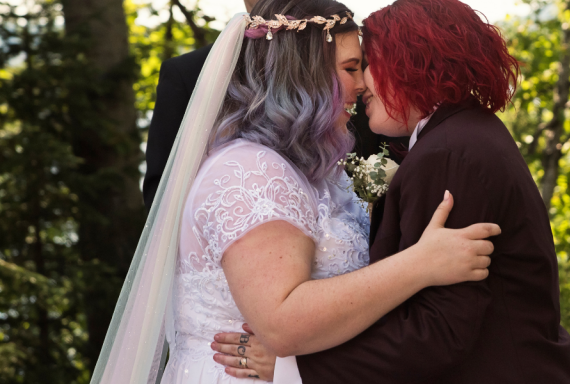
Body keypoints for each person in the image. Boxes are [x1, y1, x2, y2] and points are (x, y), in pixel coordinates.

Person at [88, 1, 499, 383]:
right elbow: (282, 323)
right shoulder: (249, 172)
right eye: (351, 68)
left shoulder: (312, 171)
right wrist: (421, 264)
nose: (362, 84)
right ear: (305, 74)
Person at [214, 0, 570, 383]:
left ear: (409, 62)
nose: (361, 84)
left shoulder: (448, 153)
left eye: (369, 63)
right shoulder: (467, 135)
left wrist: (293, 367)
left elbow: (440, 330)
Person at [142, 0, 397, 209]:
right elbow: (163, 192)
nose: (360, 83)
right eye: (350, 69)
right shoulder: (189, 73)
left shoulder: (343, 41)